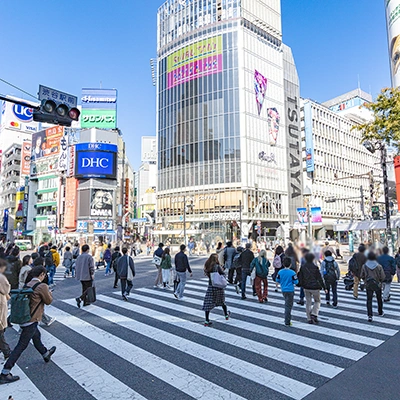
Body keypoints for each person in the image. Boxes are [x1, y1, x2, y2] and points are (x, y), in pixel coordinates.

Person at [0, 266, 56, 385]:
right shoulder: (42, 286)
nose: (44, 277)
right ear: (41, 275)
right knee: (21, 345)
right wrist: (49, 293)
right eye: (44, 275)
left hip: (24, 317)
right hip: (32, 319)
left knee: (36, 336)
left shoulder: (28, 284)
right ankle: (5, 372)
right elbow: (48, 301)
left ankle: (45, 353)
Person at [298, 253, 327, 324]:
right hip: (315, 287)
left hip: (306, 287)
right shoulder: (315, 267)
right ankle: (314, 313)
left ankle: (309, 318)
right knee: (317, 301)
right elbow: (320, 278)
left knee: (308, 302)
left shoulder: (303, 267)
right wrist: (324, 287)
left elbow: (300, 277)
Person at [202, 254, 230, 326]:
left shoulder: (208, 266)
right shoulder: (217, 266)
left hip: (211, 286)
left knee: (208, 303)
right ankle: (226, 315)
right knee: (222, 301)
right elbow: (223, 274)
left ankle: (206, 320)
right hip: (218, 287)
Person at [361, 251, 386, 322]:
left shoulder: (364, 266)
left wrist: (365, 280)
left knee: (369, 299)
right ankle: (380, 311)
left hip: (368, 284)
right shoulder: (379, 266)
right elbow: (383, 276)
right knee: (379, 298)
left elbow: (361, 275)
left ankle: (370, 315)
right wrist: (380, 281)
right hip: (377, 284)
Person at [276, 257, 299, 326]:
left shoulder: (280, 272)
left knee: (287, 303)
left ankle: (287, 319)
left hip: (283, 289)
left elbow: (277, 280)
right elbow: (296, 282)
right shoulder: (292, 273)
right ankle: (287, 320)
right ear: (290, 264)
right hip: (290, 289)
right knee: (288, 305)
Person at [0, 260, 11, 361]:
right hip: (0, 302)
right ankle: (6, 351)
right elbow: (6, 289)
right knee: (0, 330)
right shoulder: (1, 277)